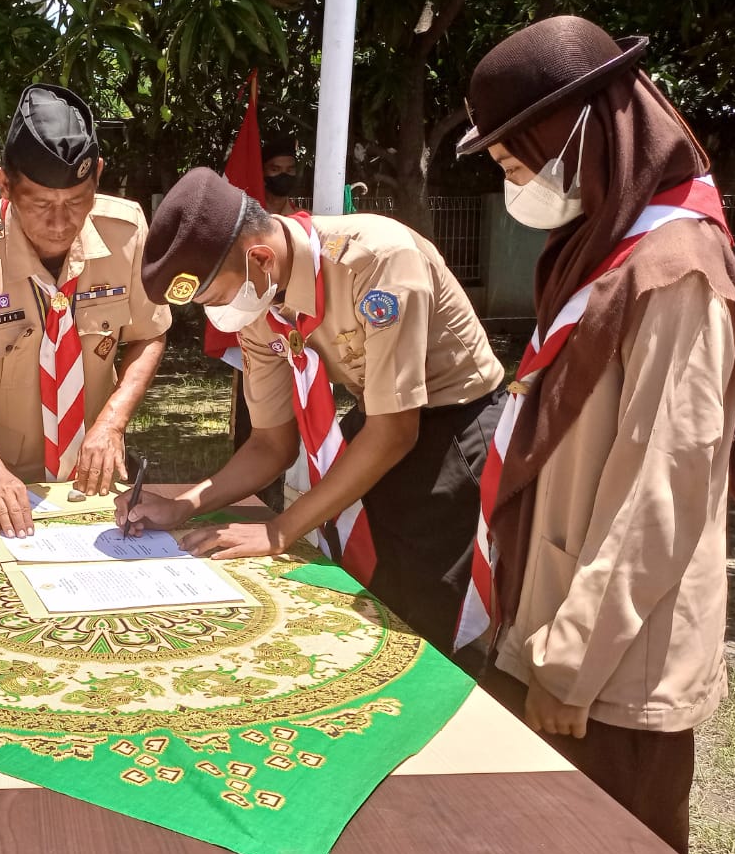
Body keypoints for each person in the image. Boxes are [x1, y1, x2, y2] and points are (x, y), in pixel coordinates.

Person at [455, 15, 735, 854]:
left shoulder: (675, 270)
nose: (515, 184)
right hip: (555, 623)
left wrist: (570, 664)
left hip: (608, 667)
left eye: (514, 162)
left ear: (576, 135)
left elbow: (662, 489)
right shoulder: (605, 244)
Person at [120, 167, 506, 656]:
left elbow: (396, 430)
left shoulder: (377, 260)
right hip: (376, 425)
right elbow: (270, 443)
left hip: (454, 432)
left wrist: (280, 529)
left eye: (216, 298)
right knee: (362, 592)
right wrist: (184, 505)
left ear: (261, 259)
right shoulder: (259, 299)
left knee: (430, 621)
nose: (218, 315)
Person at [0, 83, 171, 538]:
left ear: (98, 174)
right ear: (4, 185)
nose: (60, 223)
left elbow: (149, 332)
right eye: (40, 204)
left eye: (77, 201)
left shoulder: (126, 232)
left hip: (90, 482)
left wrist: (113, 422)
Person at [261, 133, 303, 215]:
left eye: (289, 170)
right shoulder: (244, 218)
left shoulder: (304, 219)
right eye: (275, 170)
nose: (284, 175)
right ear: (263, 172)